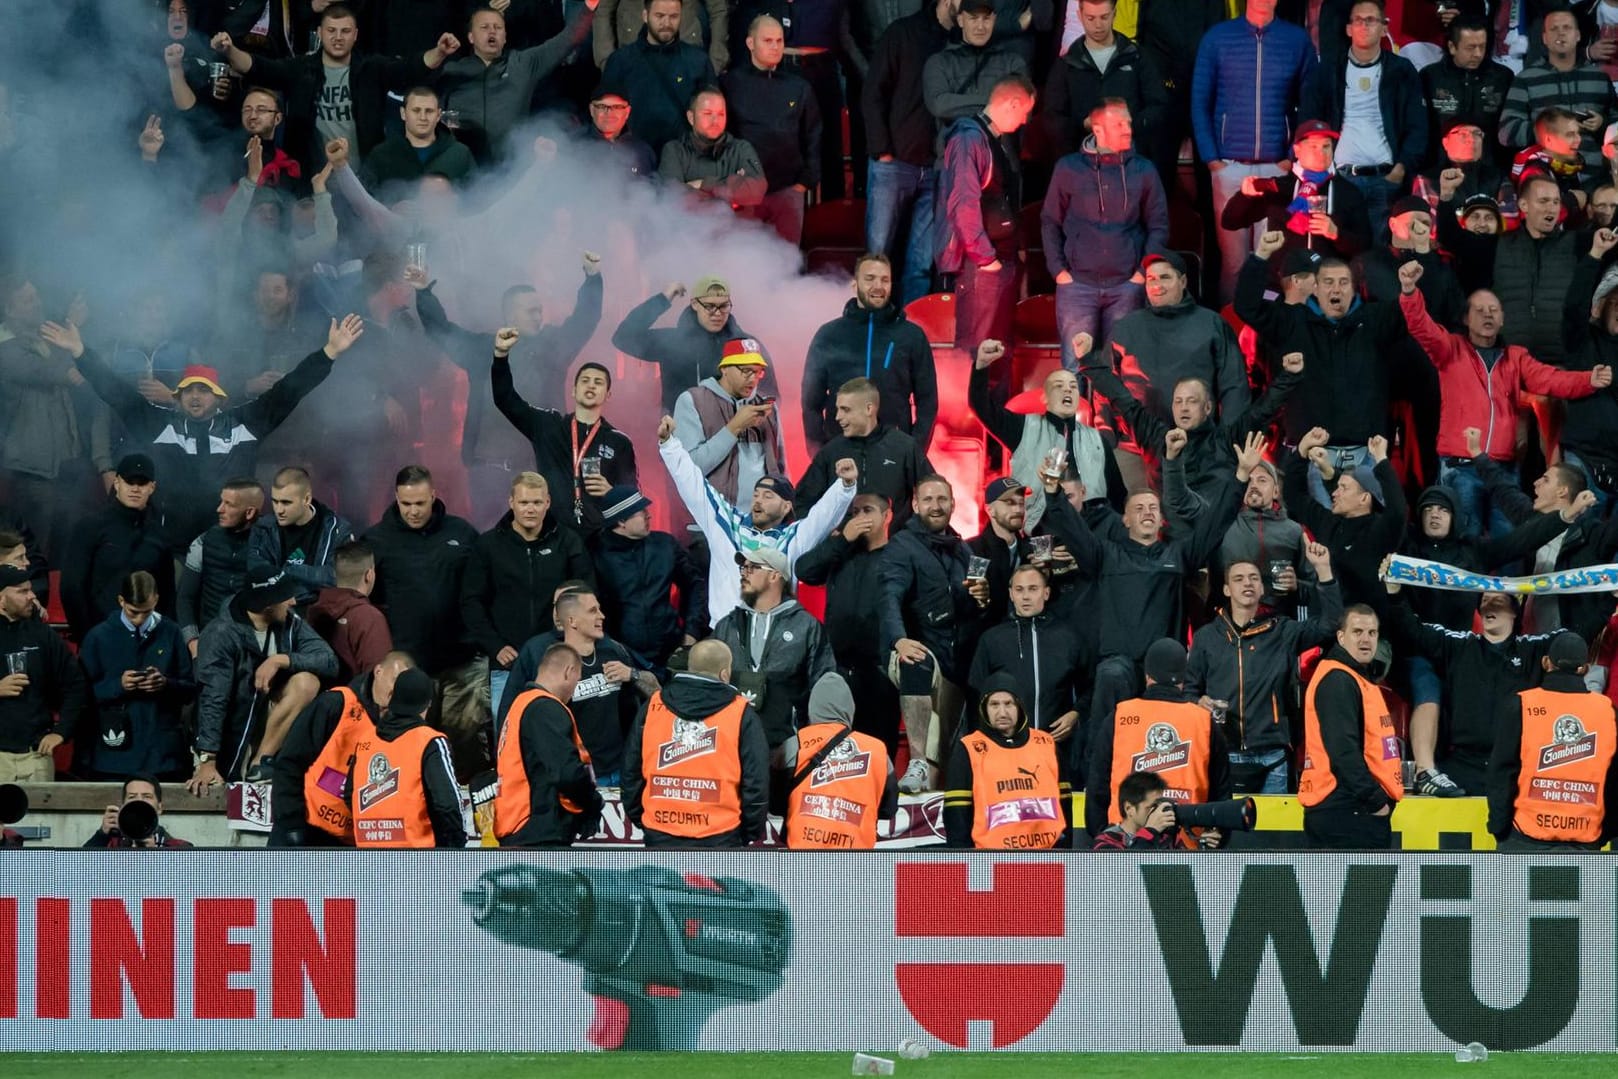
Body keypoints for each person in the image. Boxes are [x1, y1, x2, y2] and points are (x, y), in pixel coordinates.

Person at [49, 313, 362, 548]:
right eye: (189, 391)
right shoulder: (160, 424)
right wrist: (81, 352)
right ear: (178, 396)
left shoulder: (243, 424)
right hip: (172, 547)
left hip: (232, 545)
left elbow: (289, 390)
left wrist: (329, 353)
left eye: (203, 391)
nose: (196, 397)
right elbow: (114, 391)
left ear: (218, 397)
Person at [1037, 430, 1260, 748]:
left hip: (1165, 668)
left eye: (1153, 508)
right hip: (1120, 663)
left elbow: (1215, 523)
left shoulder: (1179, 554)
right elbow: (1073, 530)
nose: (1147, 513)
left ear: (1161, 520)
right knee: (1111, 675)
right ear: (1125, 520)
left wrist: (1240, 477)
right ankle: (1100, 774)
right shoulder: (1105, 554)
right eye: (1138, 509)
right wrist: (1051, 490)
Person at [1399, 257, 1611, 539]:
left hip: (1504, 471)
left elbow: (1550, 379)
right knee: (1466, 542)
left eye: (1494, 310)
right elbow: (1422, 328)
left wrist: (1588, 380)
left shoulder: (1516, 357)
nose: (1487, 316)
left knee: (1511, 543)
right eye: (1479, 310)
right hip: (1460, 467)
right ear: (1466, 318)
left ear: (1502, 318)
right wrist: (1410, 291)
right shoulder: (1451, 349)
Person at [411, 253, 604, 526]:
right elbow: (441, 330)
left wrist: (593, 278)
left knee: (545, 538)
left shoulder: (553, 346)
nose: (539, 317)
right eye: (530, 311)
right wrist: (423, 292)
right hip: (490, 470)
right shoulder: (483, 349)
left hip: (542, 468)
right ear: (510, 315)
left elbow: (585, 319)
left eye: (540, 310)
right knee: (491, 537)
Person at [1235, 230, 1406, 505]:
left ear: (1354, 287)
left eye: (1342, 282)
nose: (1335, 289)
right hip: (1311, 452)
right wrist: (1260, 257)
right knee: (1317, 539)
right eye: (1326, 282)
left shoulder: (1373, 321)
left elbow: (1413, 313)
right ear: (1315, 287)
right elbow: (1247, 306)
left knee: (1367, 537)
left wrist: (1410, 279)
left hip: (1365, 452)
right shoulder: (1292, 322)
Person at [208, 6, 458, 176]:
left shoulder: (372, 69)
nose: (338, 37)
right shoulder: (300, 69)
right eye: (331, 31)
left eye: (345, 31)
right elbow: (258, 68)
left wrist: (440, 52)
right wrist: (230, 50)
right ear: (320, 33)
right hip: (310, 182)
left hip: (364, 180)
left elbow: (410, 68)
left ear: (356, 35)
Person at [657, 416, 855, 619]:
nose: (758, 501)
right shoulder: (727, 523)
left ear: (786, 506)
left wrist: (845, 486)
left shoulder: (794, 538)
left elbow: (823, 515)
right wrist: (670, 445)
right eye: (756, 494)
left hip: (775, 634)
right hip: (727, 632)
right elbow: (695, 486)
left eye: (768, 496)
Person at [1187, 545, 1344, 795]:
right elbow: (1189, 691)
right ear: (1227, 590)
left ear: (1262, 588)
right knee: (1228, 833)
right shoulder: (1207, 637)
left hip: (1273, 756)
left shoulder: (1282, 631)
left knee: (1273, 833)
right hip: (1221, 753)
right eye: (1238, 579)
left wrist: (1324, 571)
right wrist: (1198, 702)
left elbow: (1330, 625)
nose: (1247, 584)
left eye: (1254, 578)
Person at [1191, 0, 1317, 301]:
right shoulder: (1217, 38)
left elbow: (1311, 99)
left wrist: (1290, 156)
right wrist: (1211, 158)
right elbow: (1199, 101)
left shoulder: (1296, 40)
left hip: (1277, 168)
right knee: (1233, 263)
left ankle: (1264, 340)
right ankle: (1230, 336)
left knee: (1271, 260)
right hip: (1228, 166)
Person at [364, 465, 484, 773]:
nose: (413, 511)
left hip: (462, 661)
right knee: (410, 745)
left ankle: (466, 805)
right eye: (406, 504)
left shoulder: (462, 533)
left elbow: (483, 588)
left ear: (433, 495)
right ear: (396, 498)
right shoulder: (376, 540)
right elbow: (366, 601)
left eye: (420, 503)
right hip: (408, 665)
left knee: (465, 740)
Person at [1082, 338, 1301, 503]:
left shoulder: (1227, 440)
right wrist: (1087, 360)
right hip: (1172, 543)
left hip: (1217, 540)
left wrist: (1289, 375)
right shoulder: (1157, 437)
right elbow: (1123, 399)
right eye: (1178, 401)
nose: (1183, 407)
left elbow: (1262, 411)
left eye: (1191, 401)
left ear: (1207, 407)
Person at [878, 474, 991, 793]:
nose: (936, 506)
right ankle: (913, 761)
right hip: (922, 650)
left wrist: (981, 600)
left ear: (954, 504)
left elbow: (970, 606)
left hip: (956, 660)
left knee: (940, 749)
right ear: (915, 505)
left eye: (942, 499)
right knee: (916, 663)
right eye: (927, 499)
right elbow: (889, 595)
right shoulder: (902, 545)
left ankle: (931, 822)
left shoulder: (962, 550)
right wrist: (898, 640)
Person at [1042, 98, 1167, 370]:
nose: (1127, 129)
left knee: (1120, 369)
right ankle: (1075, 415)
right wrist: (1058, 271)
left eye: (1129, 122)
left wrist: (1141, 273)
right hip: (1076, 285)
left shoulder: (1144, 170)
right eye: (1119, 123)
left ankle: (1111, 416)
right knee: (1074, 367)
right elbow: (1050, 221)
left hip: (1126, 284)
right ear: (1097, 130)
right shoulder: (1068, 168)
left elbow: (1158, 225)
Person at [0, 275, 112, 564]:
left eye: (36, 297)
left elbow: (84, 380)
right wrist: (72, 331)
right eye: (27, 300)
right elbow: (53, 373)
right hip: (32, 469)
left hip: (66, 464)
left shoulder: (45, 339)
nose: (36, 303)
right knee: (39, 549)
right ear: (9, 309)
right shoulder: (5, 347)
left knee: (70, 546)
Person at [188, 571, 336, 790]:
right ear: (268, 607)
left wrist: (280, 660)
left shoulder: (289, 622)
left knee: (307, 682)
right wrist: (207, 760)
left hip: (267, 722)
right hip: (230, 730)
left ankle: (261, 763)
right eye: (286, 598)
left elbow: (329, 660)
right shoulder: (221, 634)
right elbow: (213, 698)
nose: (293, 602)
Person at [461, 472, 595, 712]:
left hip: (560, 662)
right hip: (507, 666)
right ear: (511, 502)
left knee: (561, 734)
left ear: (547, 503)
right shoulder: (488, 545)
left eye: (536, 502)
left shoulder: (568, 542)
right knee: (507, 735)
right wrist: (495, 646)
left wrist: (571, 641)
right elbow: (471, 601)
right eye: (524, 502)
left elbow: (586, 596)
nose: (530, 509)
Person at [621, 639, 770, 848]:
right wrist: (746, 833)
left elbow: (631, 772)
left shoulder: (654, 705)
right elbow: (756, 782)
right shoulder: (741, 713)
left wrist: (644, 820)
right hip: (722, 836)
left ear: (690, 667)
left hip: (660, 833)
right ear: (724, 674)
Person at [1299, 0, 1428, 238]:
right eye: (1358, 20)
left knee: (1382, 257)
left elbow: (1418, 126)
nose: (1364, 25)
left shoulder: (1401, 70)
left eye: (1371, 20)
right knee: (1342, 254)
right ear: (1348, 29)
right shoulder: (1327, 71)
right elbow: (1309, 121)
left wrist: (1401, 168)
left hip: (1387, 179)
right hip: (1341, 180)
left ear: (1384, 28)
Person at [1086, 637, 1230, 843]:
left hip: (1125, 846)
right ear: (1183, 678)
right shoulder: (1204, 721)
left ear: (1147, 675)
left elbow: (1097, 785)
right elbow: (1222, 794)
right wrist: (1219, 835)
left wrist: (1103, 835)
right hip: (1187, 849)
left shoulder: (1119, 716)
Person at [937, 76, 1037, 369]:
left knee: (997, 348)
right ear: (1013, 103)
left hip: (997, 257)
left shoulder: (992, 139)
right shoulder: (969, 139)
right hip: (982, 263)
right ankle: (971, 411)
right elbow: (963, 203)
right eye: (1024, 112)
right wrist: (985, 259)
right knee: (976, 347)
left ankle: (993, 412)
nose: (1023, 121)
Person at [268, 650, 416, 847]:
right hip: (303, 828)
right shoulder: (336, 703)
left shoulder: (403, 729)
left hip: (350, 843)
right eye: (394, 681)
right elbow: (289, 762)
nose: (395, 691)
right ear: (378, 671)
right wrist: (291, 824)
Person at [1488, 632, 1618, 850]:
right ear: (1584, 668)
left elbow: (1501, 772)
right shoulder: (1608, 711)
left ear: (1546, 662)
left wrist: (1500, 829)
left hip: (1525, 835)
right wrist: (1605, 833)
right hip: (1586, 838)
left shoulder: (1521, 704)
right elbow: (1614, 779)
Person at [796, 495, 903, 756]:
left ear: (887, 516)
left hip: (879, 672)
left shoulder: (898, 555)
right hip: (837, 669)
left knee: (877, 751)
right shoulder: (841, 552)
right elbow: (804, 571)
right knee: (831, 750)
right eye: (854, 512)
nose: (860, 518)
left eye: (868, 511)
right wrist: (843, 539)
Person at [862, 0, 954, 304]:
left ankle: (908, 327)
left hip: (936, 167)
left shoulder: (959, 41)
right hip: (894, 162)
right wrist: (882, 150)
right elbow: (873, 91)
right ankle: (869, 323)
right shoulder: (902, 33)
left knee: (920, 264)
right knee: (877, 255)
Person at [801, 254, 938, 455]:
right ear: (855, 285)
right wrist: (818, 454)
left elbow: (928, 401)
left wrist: (914, 451)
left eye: (885, 280)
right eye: (870, 278)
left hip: (894, 452)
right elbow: (811, 402)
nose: (878, 286)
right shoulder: (829, 334)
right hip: (840, 451)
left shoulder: (911, 336)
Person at [970, 340, 1115, 530]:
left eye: (1072, 385)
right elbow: (982, 407)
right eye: (1058, 386)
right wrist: (981, 366)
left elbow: (1117, 496)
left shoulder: (1097, 441)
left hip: (1090, 536)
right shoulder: (1023, 428)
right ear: (1045, 398)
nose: (1067, 390)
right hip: (1040, 534)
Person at [434, 3, 596, 163]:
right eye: (484, 27)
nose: (492, 31)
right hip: (464, 167)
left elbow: (567, 40)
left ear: (505, 37)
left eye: (498, 27)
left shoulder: (523, 64)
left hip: (510, 168)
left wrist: (588, 8)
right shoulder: (452, 71)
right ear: (471, 37)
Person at [711, 547, 835, 753]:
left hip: (786, 745)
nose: (744, 573)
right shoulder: (727, 625)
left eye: (752, 567)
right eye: (743, 567)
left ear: (775, 575)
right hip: (731, 743)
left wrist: (813, 739)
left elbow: (822, 682)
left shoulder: (806, 626)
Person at [77, 571, 197, 783]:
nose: (140, 619)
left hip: (162, 755)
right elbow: (80, 696)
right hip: (112, 757)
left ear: (157, 600)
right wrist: (118, 685)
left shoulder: (172, 633)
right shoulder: (98, 637)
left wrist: (165, 684)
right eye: (133, 612)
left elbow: (190, 689)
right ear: (121, 601)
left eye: (147, 612)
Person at [1299, 605, 1401, 850]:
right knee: (1363, 889)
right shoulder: (1338, 680)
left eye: (1372, 633)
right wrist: (1376, 801)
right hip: (1347, 809)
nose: (1365, 639)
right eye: (1357, 632)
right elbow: (1342, 751)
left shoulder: (1353, 677)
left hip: (1350, 808)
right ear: (1341, 637)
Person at [968, 563, 1089, 757]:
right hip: (1004, 750)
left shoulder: (1069, 637)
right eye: (1019, 589)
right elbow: (977, 694)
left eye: (1033, 589)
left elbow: (1090, 688)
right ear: (1011, 594)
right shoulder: (992, 639)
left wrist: (1076, 714)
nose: (1025, 596)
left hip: (1057, 748)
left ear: (1046, 593)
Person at [613, 275, 778, 417]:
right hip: (682, 440)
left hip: (735, 440)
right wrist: (664, 298)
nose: (717, 313)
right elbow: (624, 337)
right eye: (709, 306)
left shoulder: (746, 345)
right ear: (694, 304)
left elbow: (770, 395)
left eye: (723, 306)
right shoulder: (673, 342)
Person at [720, 16, 821, 243]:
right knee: (743, 260)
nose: (775, 47)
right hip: (744, 192)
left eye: (779, 41)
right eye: (767, 41)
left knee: (787, 263)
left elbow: (813, 135)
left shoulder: (799, 86)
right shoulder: (730, 84)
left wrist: (804, 183)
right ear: (750, 43)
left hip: (788, 190)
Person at [1219, 121, 1372, 269]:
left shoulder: (1348, 191)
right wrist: (1245, 196)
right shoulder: (1278, 187)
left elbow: (1365, 246)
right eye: (1314, 147)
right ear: (1297, 150)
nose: (1321, 153)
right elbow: (1230, 222)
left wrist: (1337, 234)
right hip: (1284, 284)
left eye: (1327, 146)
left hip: (1328, 285)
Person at [495, 643, 605, 847]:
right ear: (568, 672)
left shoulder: (520, 706)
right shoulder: (544, 709)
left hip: (518, 824)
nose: (575, 689)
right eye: (577, 679)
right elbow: (566, 772)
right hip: (539, 832)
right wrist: (592, 803)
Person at [942, 674, 1071, 849]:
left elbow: (1065, 806)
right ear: (984, 708)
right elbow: (956, 814)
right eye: (994, 704)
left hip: (1047, 857)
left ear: (1019, 706)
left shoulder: (1047, 744)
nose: (1002, 712)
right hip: (991, 860)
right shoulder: (969, 748)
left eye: (1008, 703)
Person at [59, 454, 175, 645]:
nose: (135, 488)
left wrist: (163, 639)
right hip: (99, 636)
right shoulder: (89, 527)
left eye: (142, 482)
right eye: (130, 481)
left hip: (147, 640)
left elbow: (167, 593)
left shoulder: (159, 534)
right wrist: (87, 637)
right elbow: (72, 587)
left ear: (152, 487)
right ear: (117, 483)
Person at [590, 486, 707, 673]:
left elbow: (694, 584)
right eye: (641, 512)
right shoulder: (595, 554)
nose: (648, 516)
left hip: (671, 652)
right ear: (621, 521)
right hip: (620, 657)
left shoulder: (665, 545)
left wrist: (691, 632)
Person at [350, 667, 467, 848]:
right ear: (429, 703)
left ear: (392, 698)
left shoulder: (365, 740)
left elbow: (348, 793)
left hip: (368, 858)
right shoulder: (429, 740)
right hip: (417, 860)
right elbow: (447, 804)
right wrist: (454, 849)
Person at [782, 671, 898, 849]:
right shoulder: (878, 749)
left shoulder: (793, 746)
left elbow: (775, 803)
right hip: (857, 860)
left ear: (814, 706)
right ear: (849, 707)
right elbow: (889, 809)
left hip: (802, 860)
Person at [794, 378, 934, 522]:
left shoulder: (905, 447)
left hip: (895, 543)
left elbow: (933, 496)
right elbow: (801, 503)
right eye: (838, 409)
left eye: (845, 410)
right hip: (843, 544)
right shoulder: (830, 452)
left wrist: (910, 536)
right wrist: (827, 536)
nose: (837, 417)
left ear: (869, 409)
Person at [671, 338, 787, 509]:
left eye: (758, 372)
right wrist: (734, 427)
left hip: (764, 521)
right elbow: (688, 469)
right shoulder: (693, 401)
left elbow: (781, 467)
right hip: (714, 520)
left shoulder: (767, 406)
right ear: (724, 368)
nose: (753, 378)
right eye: (746, 371)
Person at [1043, 0, 1167, 160]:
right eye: (1091, 18)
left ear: (1114, 13)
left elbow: (1158, 107)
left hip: (1131, 161)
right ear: (1079, 16)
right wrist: (1082, 125)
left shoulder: (1137, 57)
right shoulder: (1066, 64)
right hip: (1082, 163)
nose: (1098, 25)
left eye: (1104, 17)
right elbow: (1052, 118)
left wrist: (1128, 126)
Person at [1499, 8, 1615, 178]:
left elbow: (1616, 124)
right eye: (1554, 29)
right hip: (1544, 179)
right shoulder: (1526, 79)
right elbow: (1506, 132)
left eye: (1567, 28)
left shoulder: (1599, 77)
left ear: (1578, 35)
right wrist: (1550, 130)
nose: (1560, 33)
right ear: (1544, 38)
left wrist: (1602, 125)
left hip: (1596, 179)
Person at [0, 564, 88, 783]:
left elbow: (75, 685)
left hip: (36, 756)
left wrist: (61, 731)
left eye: (30, 589)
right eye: (22, 591)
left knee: (39, 819)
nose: (32, 596)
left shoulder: (43, 636)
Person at [600, 0, 721, 155]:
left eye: (674, 16)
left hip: (683, 157)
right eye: (659, 16)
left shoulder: (698, 61)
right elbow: (605, 115)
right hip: (632, 155)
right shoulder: (621, 61)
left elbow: (711, 115)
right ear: (645, 15)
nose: (666, 23)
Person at [176, 479, 264, 656]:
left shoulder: (269, 546)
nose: (219, 509)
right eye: (221, 501)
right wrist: (193, 643)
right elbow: (185, 598)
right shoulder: (202, 543)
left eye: (228, 504)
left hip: (253, 646)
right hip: (209, 642)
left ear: (249, 512)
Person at [247, 466, 353, 606]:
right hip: (273, 610)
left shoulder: (337, 530)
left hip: (320, 612)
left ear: (307, 499)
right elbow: (258, 575)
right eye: (275, 501)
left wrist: (287, 571)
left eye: (286, 502)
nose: (279, 510)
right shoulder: (263, 529)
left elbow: (335, 577)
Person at [1420, 17, 1513, 167]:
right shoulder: (1430, 77)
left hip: (1490, 171)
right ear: (1452, 47)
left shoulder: (1502, 77)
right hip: (1439, 168)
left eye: (1482, 47)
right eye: (1470, 48)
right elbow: (1422, 128)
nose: (1477, 54)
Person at [657, 88, 769, 210]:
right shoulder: (675, 150)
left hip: (738, 227)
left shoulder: (740, 149)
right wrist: (734, 192)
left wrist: (704, 184)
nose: (715, 121)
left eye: (721, 114)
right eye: (707, 113)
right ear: (691, 117)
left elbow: (756, 191)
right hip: (690, 227)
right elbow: (672, 197)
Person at [922, 0, 1029, 124]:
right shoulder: (939, 62)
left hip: (997, 143)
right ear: (960, 20)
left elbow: (1019, 106)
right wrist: (996, 102)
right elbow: (939, 106)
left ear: (994, 20)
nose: (980, 26)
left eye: (986, 19)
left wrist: (960, 104)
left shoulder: (1012, 63)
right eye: (973, 18)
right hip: (956, 142)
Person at [306, 541, 394, 682]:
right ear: (369, 575)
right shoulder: (369, 618)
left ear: (335, 574)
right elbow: (377, 679)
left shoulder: (313, 612)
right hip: (351, 701)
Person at [358, 85, 474, 190]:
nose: (423, 117)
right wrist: (391, 208)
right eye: (416, 110)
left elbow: (476, 199)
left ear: (438, 115)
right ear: (403, 113)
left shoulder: (460, 154)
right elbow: (363, 200)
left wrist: (450, 203)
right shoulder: (380, 155)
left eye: (429, 111)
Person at [595, 0, 729, 75]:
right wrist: (606, 61)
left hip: (685, 50)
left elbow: (718, 9)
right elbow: (604, 11)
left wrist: (715, 62)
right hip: (634, 51)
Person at [83, 777, 193, 849]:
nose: (139, 801)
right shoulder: (110, 845)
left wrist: (155, 857)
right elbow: (80, 872)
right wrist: (101, 835)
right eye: (132, 797)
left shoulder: (180, 848)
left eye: (147, 796)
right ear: (123, 805)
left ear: (159, 807)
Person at [581, 81, 657, 178]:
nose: (608, 113)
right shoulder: (574, 148)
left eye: (617, 107)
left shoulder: (643, 152)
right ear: (592, 110)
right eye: (602, 106)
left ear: (627, 112)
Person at [1091, 769, 1180, 850]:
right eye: (1153, 806)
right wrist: (1150, 831)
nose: (1157, 812)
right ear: (1129, 809)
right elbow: (1130, 866)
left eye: (1160, 805)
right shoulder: (1106, 841)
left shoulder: (1166, 838)